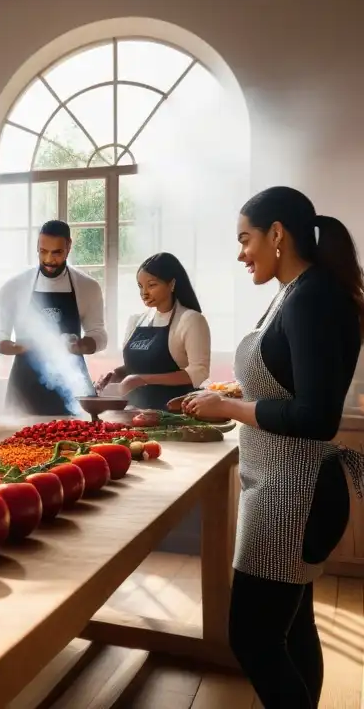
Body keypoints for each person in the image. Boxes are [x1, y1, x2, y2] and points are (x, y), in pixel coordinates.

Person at [184, 186, 364, 708]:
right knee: (293, 627)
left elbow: (318, 418)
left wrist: (231, 409)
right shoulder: (297, 291)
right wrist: (238, 393)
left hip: (294, 494)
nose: (241, 254)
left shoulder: (314, 298)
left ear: (277, 234)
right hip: (286, 488)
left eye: (246, 240)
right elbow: (290, 383)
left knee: (252, 638)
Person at [0, 220, 107, 415]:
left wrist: (79, 346)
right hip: (24, 388)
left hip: (73, 386)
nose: (49, 260)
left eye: (57, 253)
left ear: (69, 247)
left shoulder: (88, 287)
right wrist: (24, 346)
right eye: (43, 251)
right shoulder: (13, 287)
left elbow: (100, 335)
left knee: (78, 442)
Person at [95, 252, 211, 410]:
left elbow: (199, 372)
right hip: (134, 413)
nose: (144, 293)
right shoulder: (136, 320)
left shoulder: (191, 320)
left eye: (152, 285)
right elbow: (137, 366)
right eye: (140, 286)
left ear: (171, 284)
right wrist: (115, 375)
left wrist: (142, 379)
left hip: (173, 416)